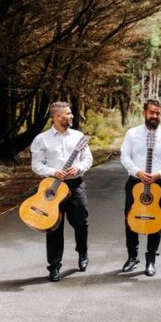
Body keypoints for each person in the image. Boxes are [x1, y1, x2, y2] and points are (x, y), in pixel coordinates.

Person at [30, 101, 93, 282]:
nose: (72, 116)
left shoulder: (78, 136)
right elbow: (36, 165)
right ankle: (54, 266)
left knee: (81, 223)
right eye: (68, 113)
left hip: (75, 185)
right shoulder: (41, 139)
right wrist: (53, 172)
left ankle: (82, 252)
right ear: (57, 117)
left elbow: (88, 159)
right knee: (53, 227)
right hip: (52, 187)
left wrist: (78, 167)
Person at [119, 98, 161, 276]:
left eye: (157, 113)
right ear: (144, 113)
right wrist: (137, 172)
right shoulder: (132, 134)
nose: (154, 116)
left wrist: (158, 174)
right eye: (151, 112)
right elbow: (124, 156)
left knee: (156, 220)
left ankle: (151, 260)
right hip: (135, 182)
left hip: (157, 184)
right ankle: (132, 257)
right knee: (131, 220)